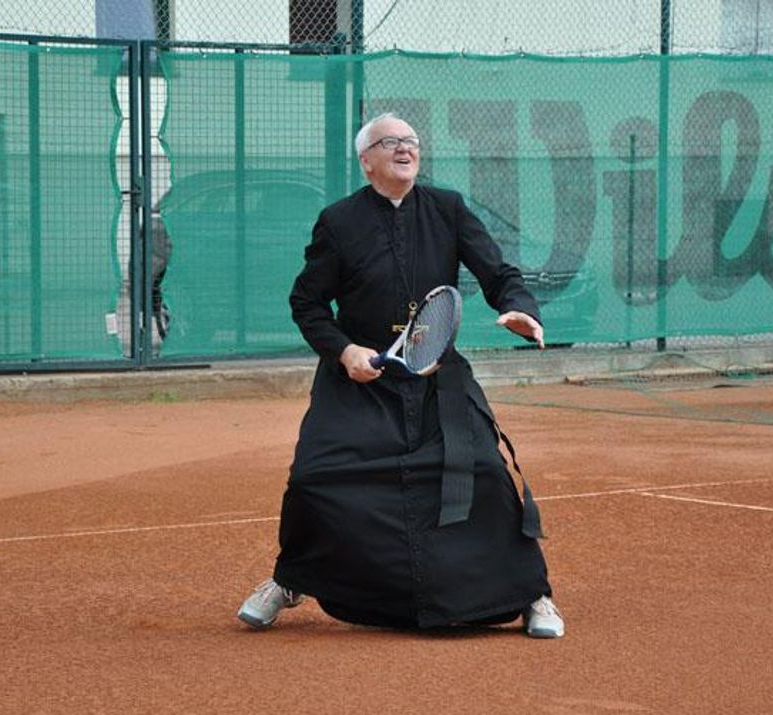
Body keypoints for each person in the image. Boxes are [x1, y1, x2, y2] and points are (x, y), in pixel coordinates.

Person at [237, 112, 563, 638]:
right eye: (390, 142)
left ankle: (533, 595)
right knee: (314, 477)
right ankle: (291, 579)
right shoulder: (338, 222)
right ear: (366, 161)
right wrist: (344, 351)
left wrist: (521, 309)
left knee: (486, 473)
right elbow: (308, 302)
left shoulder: (449, 209)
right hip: (359, 380)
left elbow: (499, 273)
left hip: (438, 377)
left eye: (410, 141)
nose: (404, 148)